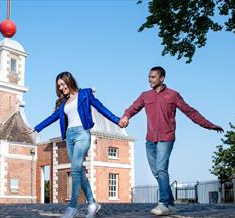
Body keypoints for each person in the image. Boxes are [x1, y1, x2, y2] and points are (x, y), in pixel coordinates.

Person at [119, 66, 223, 216]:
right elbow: (133, 108)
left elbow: (190, 112)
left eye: (153, 77)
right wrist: (126, 116)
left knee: (161, 169)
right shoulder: (145, 95)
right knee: (157, 172)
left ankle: (163, 203)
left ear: (162, 78)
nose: (150, 79)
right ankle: (171, 203)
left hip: (166, 138)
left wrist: (210, 125)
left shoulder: (173, 95)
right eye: (149, 77)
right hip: (150, 139)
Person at [24, 71, 121, 218]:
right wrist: (36, 128)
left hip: (83, 134)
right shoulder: (63, 103)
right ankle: (92, 203)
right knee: (79, 171)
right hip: (69, 137)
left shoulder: (85, 94)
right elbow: (52, 117)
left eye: (63, 84)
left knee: (75, 169)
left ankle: (72, 207)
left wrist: (117, 120)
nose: (61, 88)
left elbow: (101, 108)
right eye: (59, 86)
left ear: (69, 81)